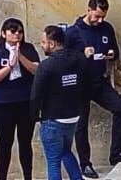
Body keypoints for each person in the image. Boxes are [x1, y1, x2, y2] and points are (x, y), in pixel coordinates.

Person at [68, 0, 121, 177]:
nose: (100, 20)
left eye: (103, 17)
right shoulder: (73, 32)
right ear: (88, 10)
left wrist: (111, 54)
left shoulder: (106, 28)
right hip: (80, 84)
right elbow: (64, 58)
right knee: (81, 125)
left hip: (99, 80)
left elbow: (115, 53)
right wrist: (82, 54)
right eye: (97, 16)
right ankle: (85, 164)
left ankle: (116, 153)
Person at [31, 25, 89, 180]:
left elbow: (36, 94)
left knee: (53, 161)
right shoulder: (79, 59)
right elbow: (85, 84)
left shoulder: (47, 65)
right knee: (65, 151)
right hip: (73, 116)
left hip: (53, 118)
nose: (42, 45)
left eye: (44, 42)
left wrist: (34, 115)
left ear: (52, 44)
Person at [0, 18, 41, 180]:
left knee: (25, 142)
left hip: (25, 102)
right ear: (4, 33)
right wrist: (9, 65)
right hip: (4, 103)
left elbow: (36, 69)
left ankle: (28, 176)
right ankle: (3, 176)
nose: (17, 34)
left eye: (20, 31)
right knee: (5, 142)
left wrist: (20, 56)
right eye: (13, 31)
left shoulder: (28, 48)